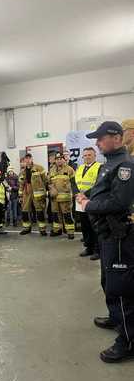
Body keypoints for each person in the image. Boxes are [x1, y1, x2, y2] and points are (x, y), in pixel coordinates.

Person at [77, 121, 134, 363]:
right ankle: (115, 317)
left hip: (119, 235)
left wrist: (89, 205)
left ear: (117, 138)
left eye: (101, 138)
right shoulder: (108, 164)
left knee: (121, 289)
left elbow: (119, 203)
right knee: (108, 282)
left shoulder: (125, 166)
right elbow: (102, 190)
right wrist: (86, 195)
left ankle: (128, 341)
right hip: (106, 235)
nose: (97, 143)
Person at [74, 148, 101, 260]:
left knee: (94, 226)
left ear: (95, 156)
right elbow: (74, 182)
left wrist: (86, 195)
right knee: (84, 226)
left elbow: (100, 184)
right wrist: (77, 193)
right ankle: (88, 247)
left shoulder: (100, 167)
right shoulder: (79, 168)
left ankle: (97, 250)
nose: (87, 157)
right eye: (85, 155)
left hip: (92, 200)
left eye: (89, 155)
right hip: (80, 201)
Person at [48, 153, 75, 239]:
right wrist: (51, 188)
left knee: (67, 215)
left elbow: (74, 183)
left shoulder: (70, 169)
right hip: (54, 198)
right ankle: (57, 230)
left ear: (64, 159)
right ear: (55, 160)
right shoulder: (51, 170)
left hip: (65, 198)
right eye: (57, 159)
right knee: (56, 215)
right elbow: (48, 182)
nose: (59, 160)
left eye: (60, 158)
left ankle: (70, 232)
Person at [18, 153, 34, 235]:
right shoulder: (22, 172)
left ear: (31, 159)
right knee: (25, 211)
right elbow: (21, 185)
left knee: (39, 211)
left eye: (29, 158)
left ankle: (42, 229)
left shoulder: (37, 168)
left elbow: (44, 180)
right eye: (25, 159)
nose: (27, 160)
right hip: (26, 193)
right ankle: (26, 228)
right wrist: (20, 196)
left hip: (36, 192)